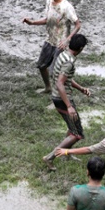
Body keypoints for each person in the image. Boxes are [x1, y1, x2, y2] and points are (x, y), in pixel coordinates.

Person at [22, 0, 81, 94]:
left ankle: (58, 95)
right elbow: (47, 20)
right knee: (41, 65)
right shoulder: (49, 2)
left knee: (56, 71)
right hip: (49, 40)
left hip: (60, 44)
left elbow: (78, 25)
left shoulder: (66, 7)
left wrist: (67, 40)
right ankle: (48, 87)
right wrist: (32, 22)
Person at [42, 34, 91, 171]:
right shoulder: (69, 62)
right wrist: (69, 106)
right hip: (63, 100)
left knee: (71, 127)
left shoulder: (63, 55)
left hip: (57, 97)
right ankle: (50, 157)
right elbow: (60, 83)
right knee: (77, 134)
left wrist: (81, 89)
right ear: (81, 48)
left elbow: (64, 78)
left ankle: (66, 154)